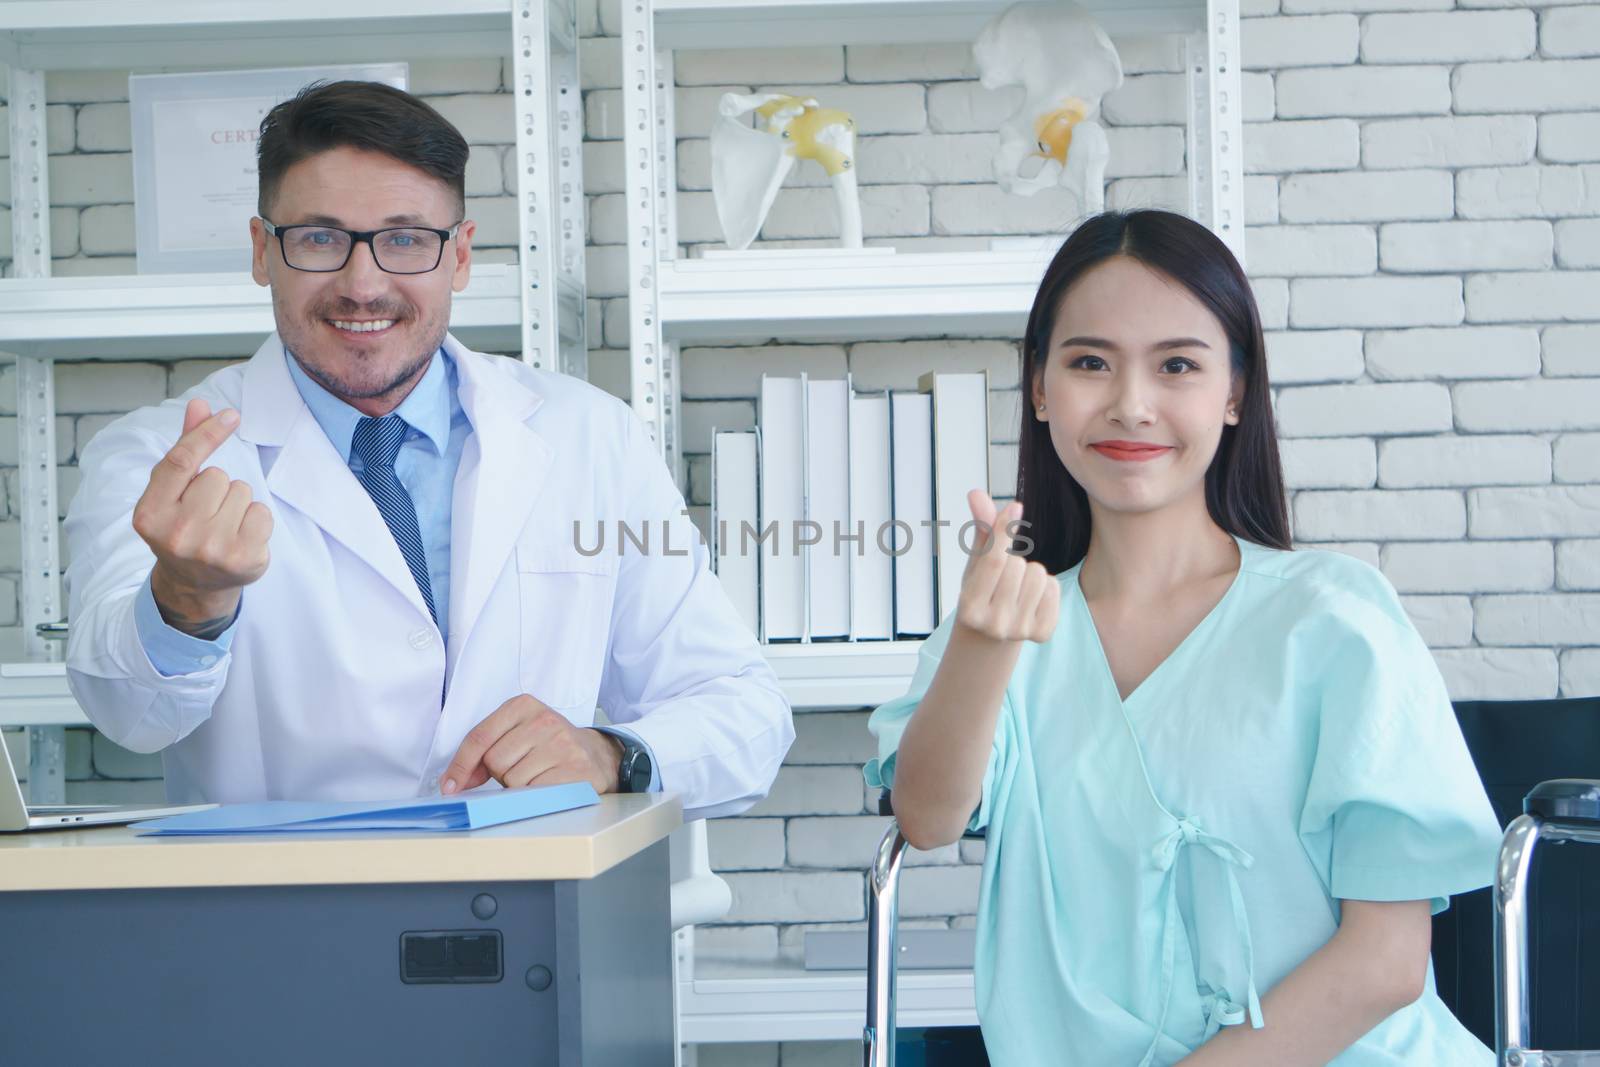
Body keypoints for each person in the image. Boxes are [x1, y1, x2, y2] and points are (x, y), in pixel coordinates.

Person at [865, 210, 1502, 1065]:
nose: (1131, 404)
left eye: (1177, 365)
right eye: (1090, 362)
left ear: (1234, 393)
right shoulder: (1000, 623)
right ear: (1041, 388)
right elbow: (928, 817)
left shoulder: (1334, 618)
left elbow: (1386, 961)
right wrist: (982, 644)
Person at [64, 81, 793, 818]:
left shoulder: (590, 437)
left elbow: (746, 715)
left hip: (531, 908)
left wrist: (612, 753)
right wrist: (188, 599)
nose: (363, 283)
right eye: (319, 238)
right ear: (263, 251)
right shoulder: (160, 455)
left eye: (405, 239)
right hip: (281, 915)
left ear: (461, 255)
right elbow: (129, 714)